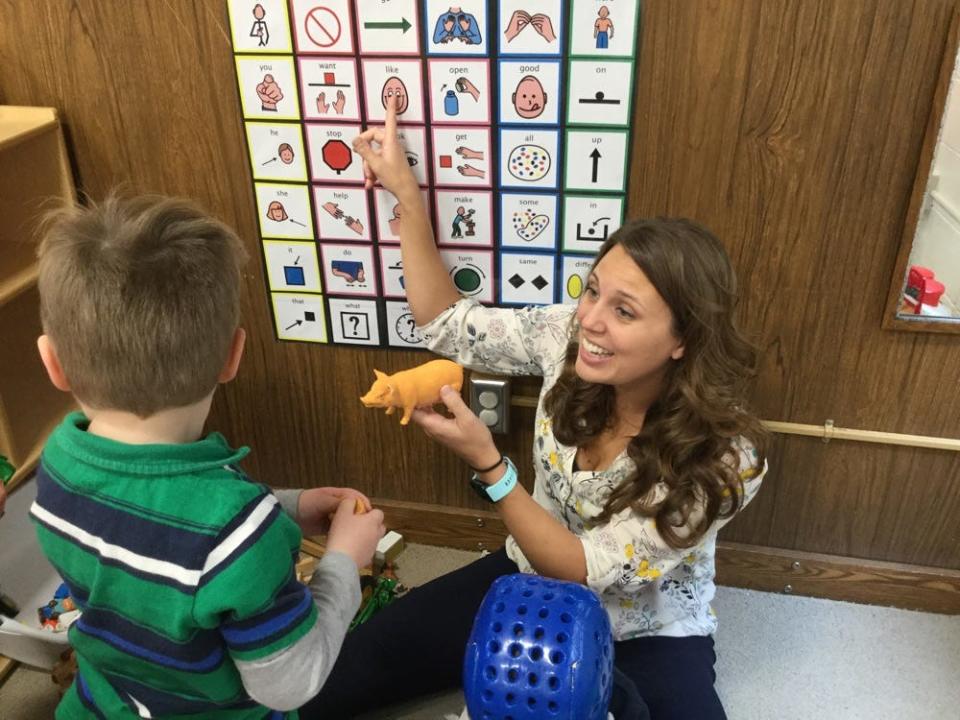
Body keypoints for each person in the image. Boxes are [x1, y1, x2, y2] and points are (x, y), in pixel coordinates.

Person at [302, 98, 769, 720]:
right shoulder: (565, 336)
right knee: (333, 678)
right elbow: (447, 323)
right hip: (528, 581)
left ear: (683, 339)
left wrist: (492, 469)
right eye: (593, 290)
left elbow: (586, 569)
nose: (591, 321)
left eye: (624, 311)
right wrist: (405, 195)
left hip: (645, 629)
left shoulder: (729, 457)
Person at [29, 196, 385, 719]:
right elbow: (290, 683)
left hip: (102, 703)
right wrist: (343, 565)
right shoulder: (236, 529)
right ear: (233, 356)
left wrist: (285, 505)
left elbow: (157, 524)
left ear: (53, 364)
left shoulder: (59, 461)